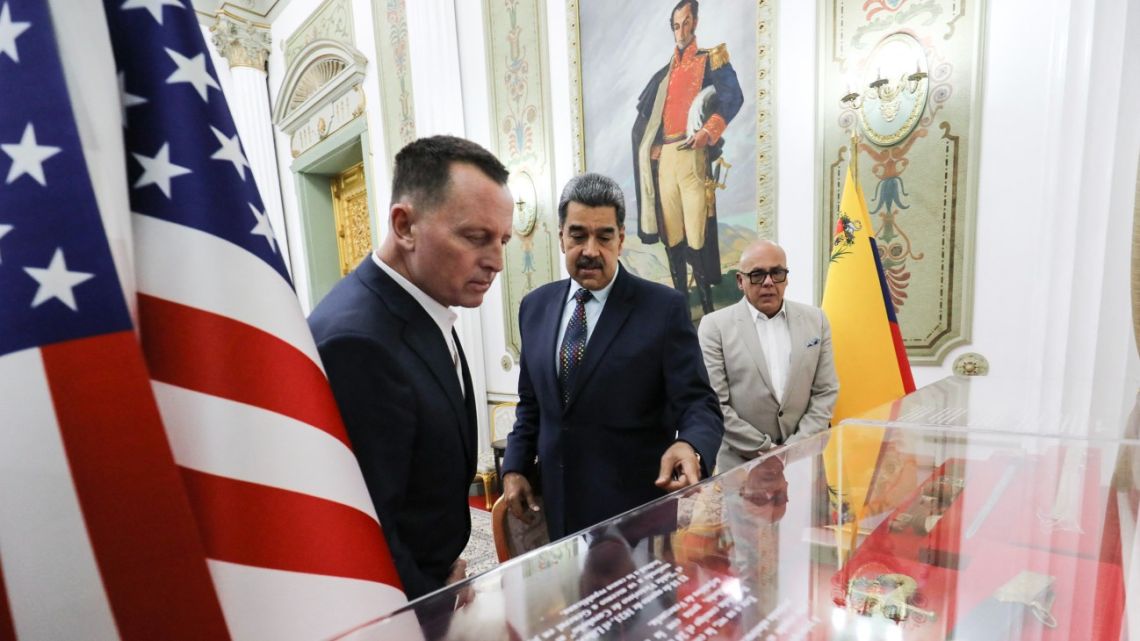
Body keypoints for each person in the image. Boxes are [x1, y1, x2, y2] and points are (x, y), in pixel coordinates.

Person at [308, 136, 514, 599]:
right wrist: (430, 600)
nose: (497, 261)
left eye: (502, 239)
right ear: (404, 225)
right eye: (476, 237)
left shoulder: (423, 303)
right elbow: (362, 530)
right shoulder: (356, 342)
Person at [501, 173, 723, 539]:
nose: (590, 250)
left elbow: (699, 403)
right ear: (560, 237)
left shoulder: (663, 309)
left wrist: (691, 445)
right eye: (577, 235)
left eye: (603, 236)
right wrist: (515, 467)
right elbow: (531, 404)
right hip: (557, 510)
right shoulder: (534, 307)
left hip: (637, 518)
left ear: (620, 240)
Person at [632, 0, 743, 314]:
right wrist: (653, 145)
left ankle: (708, 311)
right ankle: (680, 307)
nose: (682, 30)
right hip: (666, 158)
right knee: (673, 236)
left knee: (697, 235)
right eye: (676, 25)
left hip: (694, 153)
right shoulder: (663, 75)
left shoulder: (711, 60)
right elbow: (650, 119)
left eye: (686, 22)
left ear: (695, 23)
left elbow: (734, 98)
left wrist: (708, 132)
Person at [698, 240, 838, 471]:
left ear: (786, 276)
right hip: (740, 468)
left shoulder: (817, 321)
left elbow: (826, 391)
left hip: (803, 462)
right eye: (757, 275)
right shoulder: (714, 327)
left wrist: (793, 449)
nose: (769, 282)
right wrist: (767, 451)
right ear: (740, 281)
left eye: (777, 273)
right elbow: (715, 404)